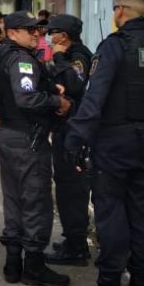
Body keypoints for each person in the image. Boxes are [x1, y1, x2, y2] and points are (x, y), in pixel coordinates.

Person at [65, 0, 144, 286]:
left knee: (111, 214)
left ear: (120, 12)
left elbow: (94, 99)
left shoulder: (114, 47)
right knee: (141, 217)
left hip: (114, 143)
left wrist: (75, 139)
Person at [0, 12, 73, 286]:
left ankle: (13, 264)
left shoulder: (3, 55)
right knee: (36, 201)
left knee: (14, 199)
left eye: (37, 29)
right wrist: (56, 102)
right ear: (12, 33)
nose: (36, 34)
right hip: (28, 137)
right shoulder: (22, 59)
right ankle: (34, 267)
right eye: (29, 30)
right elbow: (26, 97)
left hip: (10, 134)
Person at [43, 14, 95, 266]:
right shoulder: (72, 54)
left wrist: (59, 57)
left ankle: (76, 247)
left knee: (72, 187)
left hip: (74, 131)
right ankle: (72, 240)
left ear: (63, 35)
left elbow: (75, 83)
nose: (50, 37)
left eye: (52, 32)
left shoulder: (78, 56)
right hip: (65, 128)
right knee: (64, 185)